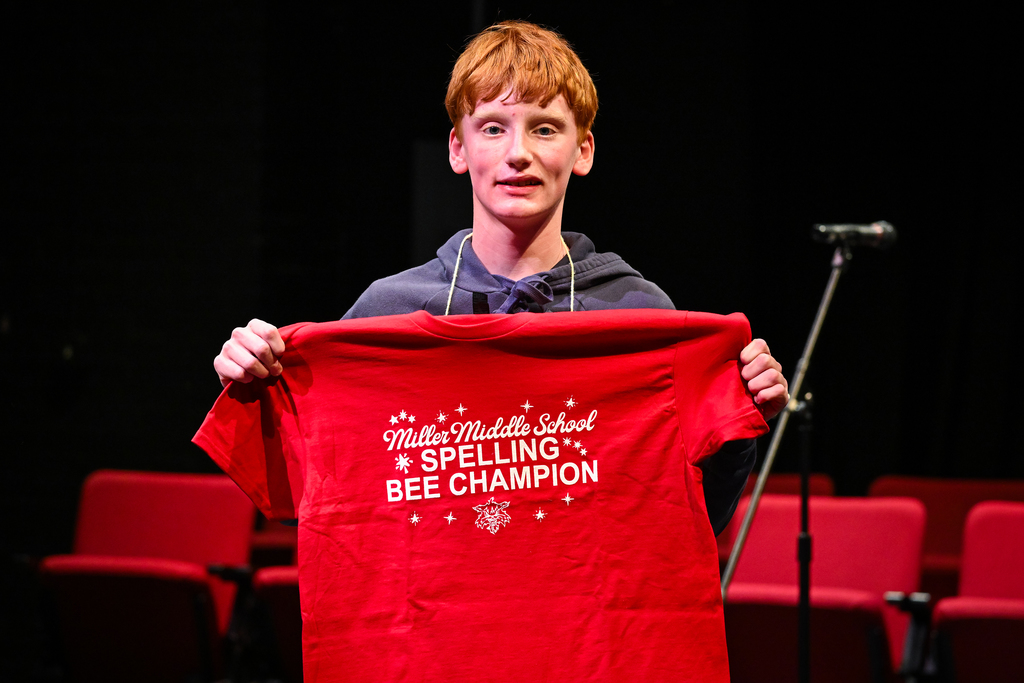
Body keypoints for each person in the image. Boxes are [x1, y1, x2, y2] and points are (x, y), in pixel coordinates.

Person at [211, 20, 788, 535]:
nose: (518, 153)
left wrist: (740, 422)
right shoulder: (387, 311)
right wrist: (255, 381)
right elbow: (314, 498)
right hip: (435, 643)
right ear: (458, 149)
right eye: (492, 128)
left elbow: (692, 521)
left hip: (584, 642)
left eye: (544, 129)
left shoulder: (640, 314)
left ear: (582, 150)